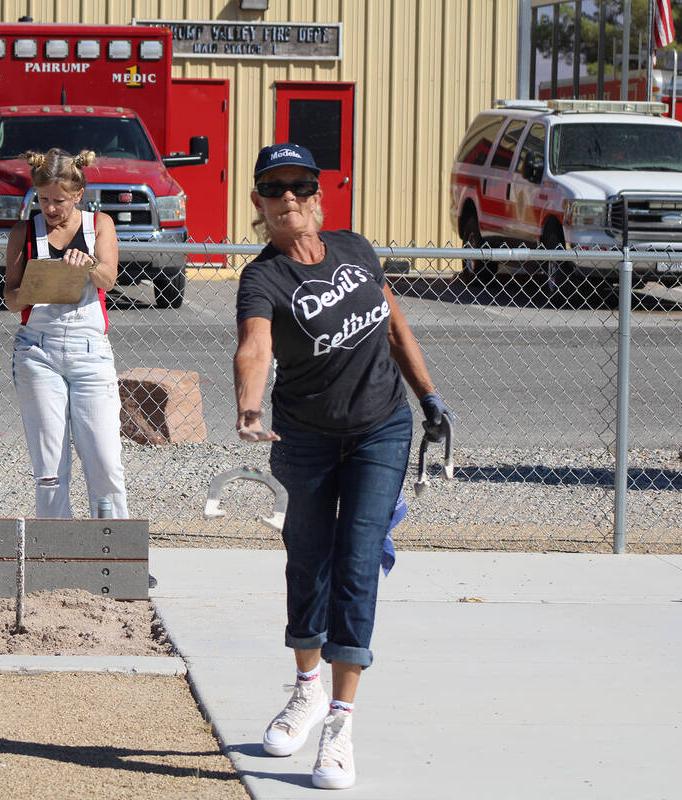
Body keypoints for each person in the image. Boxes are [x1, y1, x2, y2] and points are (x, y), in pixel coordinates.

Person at [232, 142, 452, 790]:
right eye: (275, 188)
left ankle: (341, 724)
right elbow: (254, 346)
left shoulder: (355, 248)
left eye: (300, 184)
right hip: (304, 437)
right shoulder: (263, 278)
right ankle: (307, 691)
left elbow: (394, 326)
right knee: (308, 557)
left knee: (357, 562)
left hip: (382, 427)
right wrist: (248, 406)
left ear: (318, 193)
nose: (288, 197)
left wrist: (431, 397)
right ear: (258, 203)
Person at [3, 147, 129, 520]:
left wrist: (88, 264)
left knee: (105, 459)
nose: (51, 209)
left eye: (59, 200)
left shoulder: (99, 225)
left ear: (78, 196)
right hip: (38, 352)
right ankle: (54, 553)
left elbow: (110, 277)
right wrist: (30, 287)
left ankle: (116, 551)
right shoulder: (23, 232)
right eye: (43, 199)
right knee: (50, 467)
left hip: (90, 353)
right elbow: (10, 298)